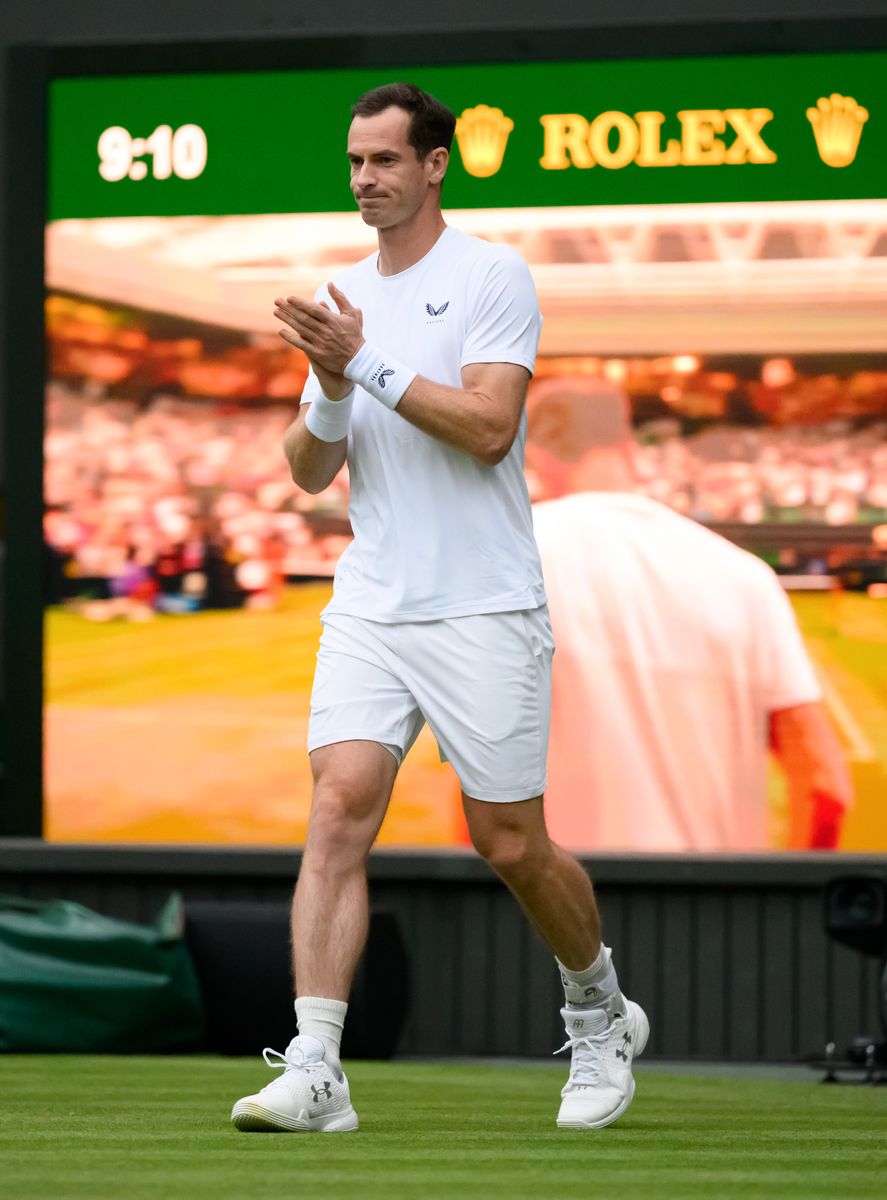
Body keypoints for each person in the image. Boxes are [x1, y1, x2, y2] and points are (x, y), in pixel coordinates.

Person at [231, 84, 647, 1135]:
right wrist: (327, 387)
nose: (365, 177)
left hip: (483, 606)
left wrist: (359, 358)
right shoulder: (340, 293)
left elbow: (489, 427)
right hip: (373, 603)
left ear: (433, 167)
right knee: (337, 807)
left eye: (383, 159)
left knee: (509, 844)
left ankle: (596, 1009)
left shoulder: (490, 275)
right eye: (354, 161)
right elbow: (309, 473)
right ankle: (316, 1066)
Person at [527, 376, 853, 853]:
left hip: (554, 915)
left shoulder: (509, 561)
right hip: (714, 916)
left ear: (534, 452)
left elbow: (485, 788)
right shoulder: (744, 575)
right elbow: (826, 786)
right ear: (627, 445)